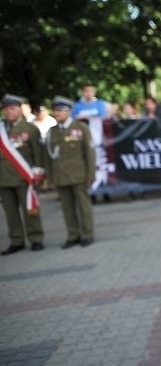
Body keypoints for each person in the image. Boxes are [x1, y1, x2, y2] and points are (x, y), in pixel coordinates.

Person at [46, 96, 96, 248]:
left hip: (79, 175)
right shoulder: (52, 131)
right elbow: (48, 157)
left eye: (60, 110)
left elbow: (90, 153)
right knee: (67, 209)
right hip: (60, 176)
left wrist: (90, 174)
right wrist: (50, 178)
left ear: (69, 111)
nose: (57, 113)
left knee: (83, 207)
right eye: (55, 110)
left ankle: (87, 235)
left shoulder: (81, 128)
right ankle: (73, 235)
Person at [0, 94, 45, 254]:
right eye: (6, 109)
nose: (9, 111)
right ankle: (16, 240)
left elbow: (38, 153)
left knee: (30, 210)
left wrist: (39, 173)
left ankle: (36, 238)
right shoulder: (1, 128)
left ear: (20, 109)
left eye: (12, 108)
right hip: (3, 179)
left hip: (23, 177)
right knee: (10, 213)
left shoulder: (30, 129)